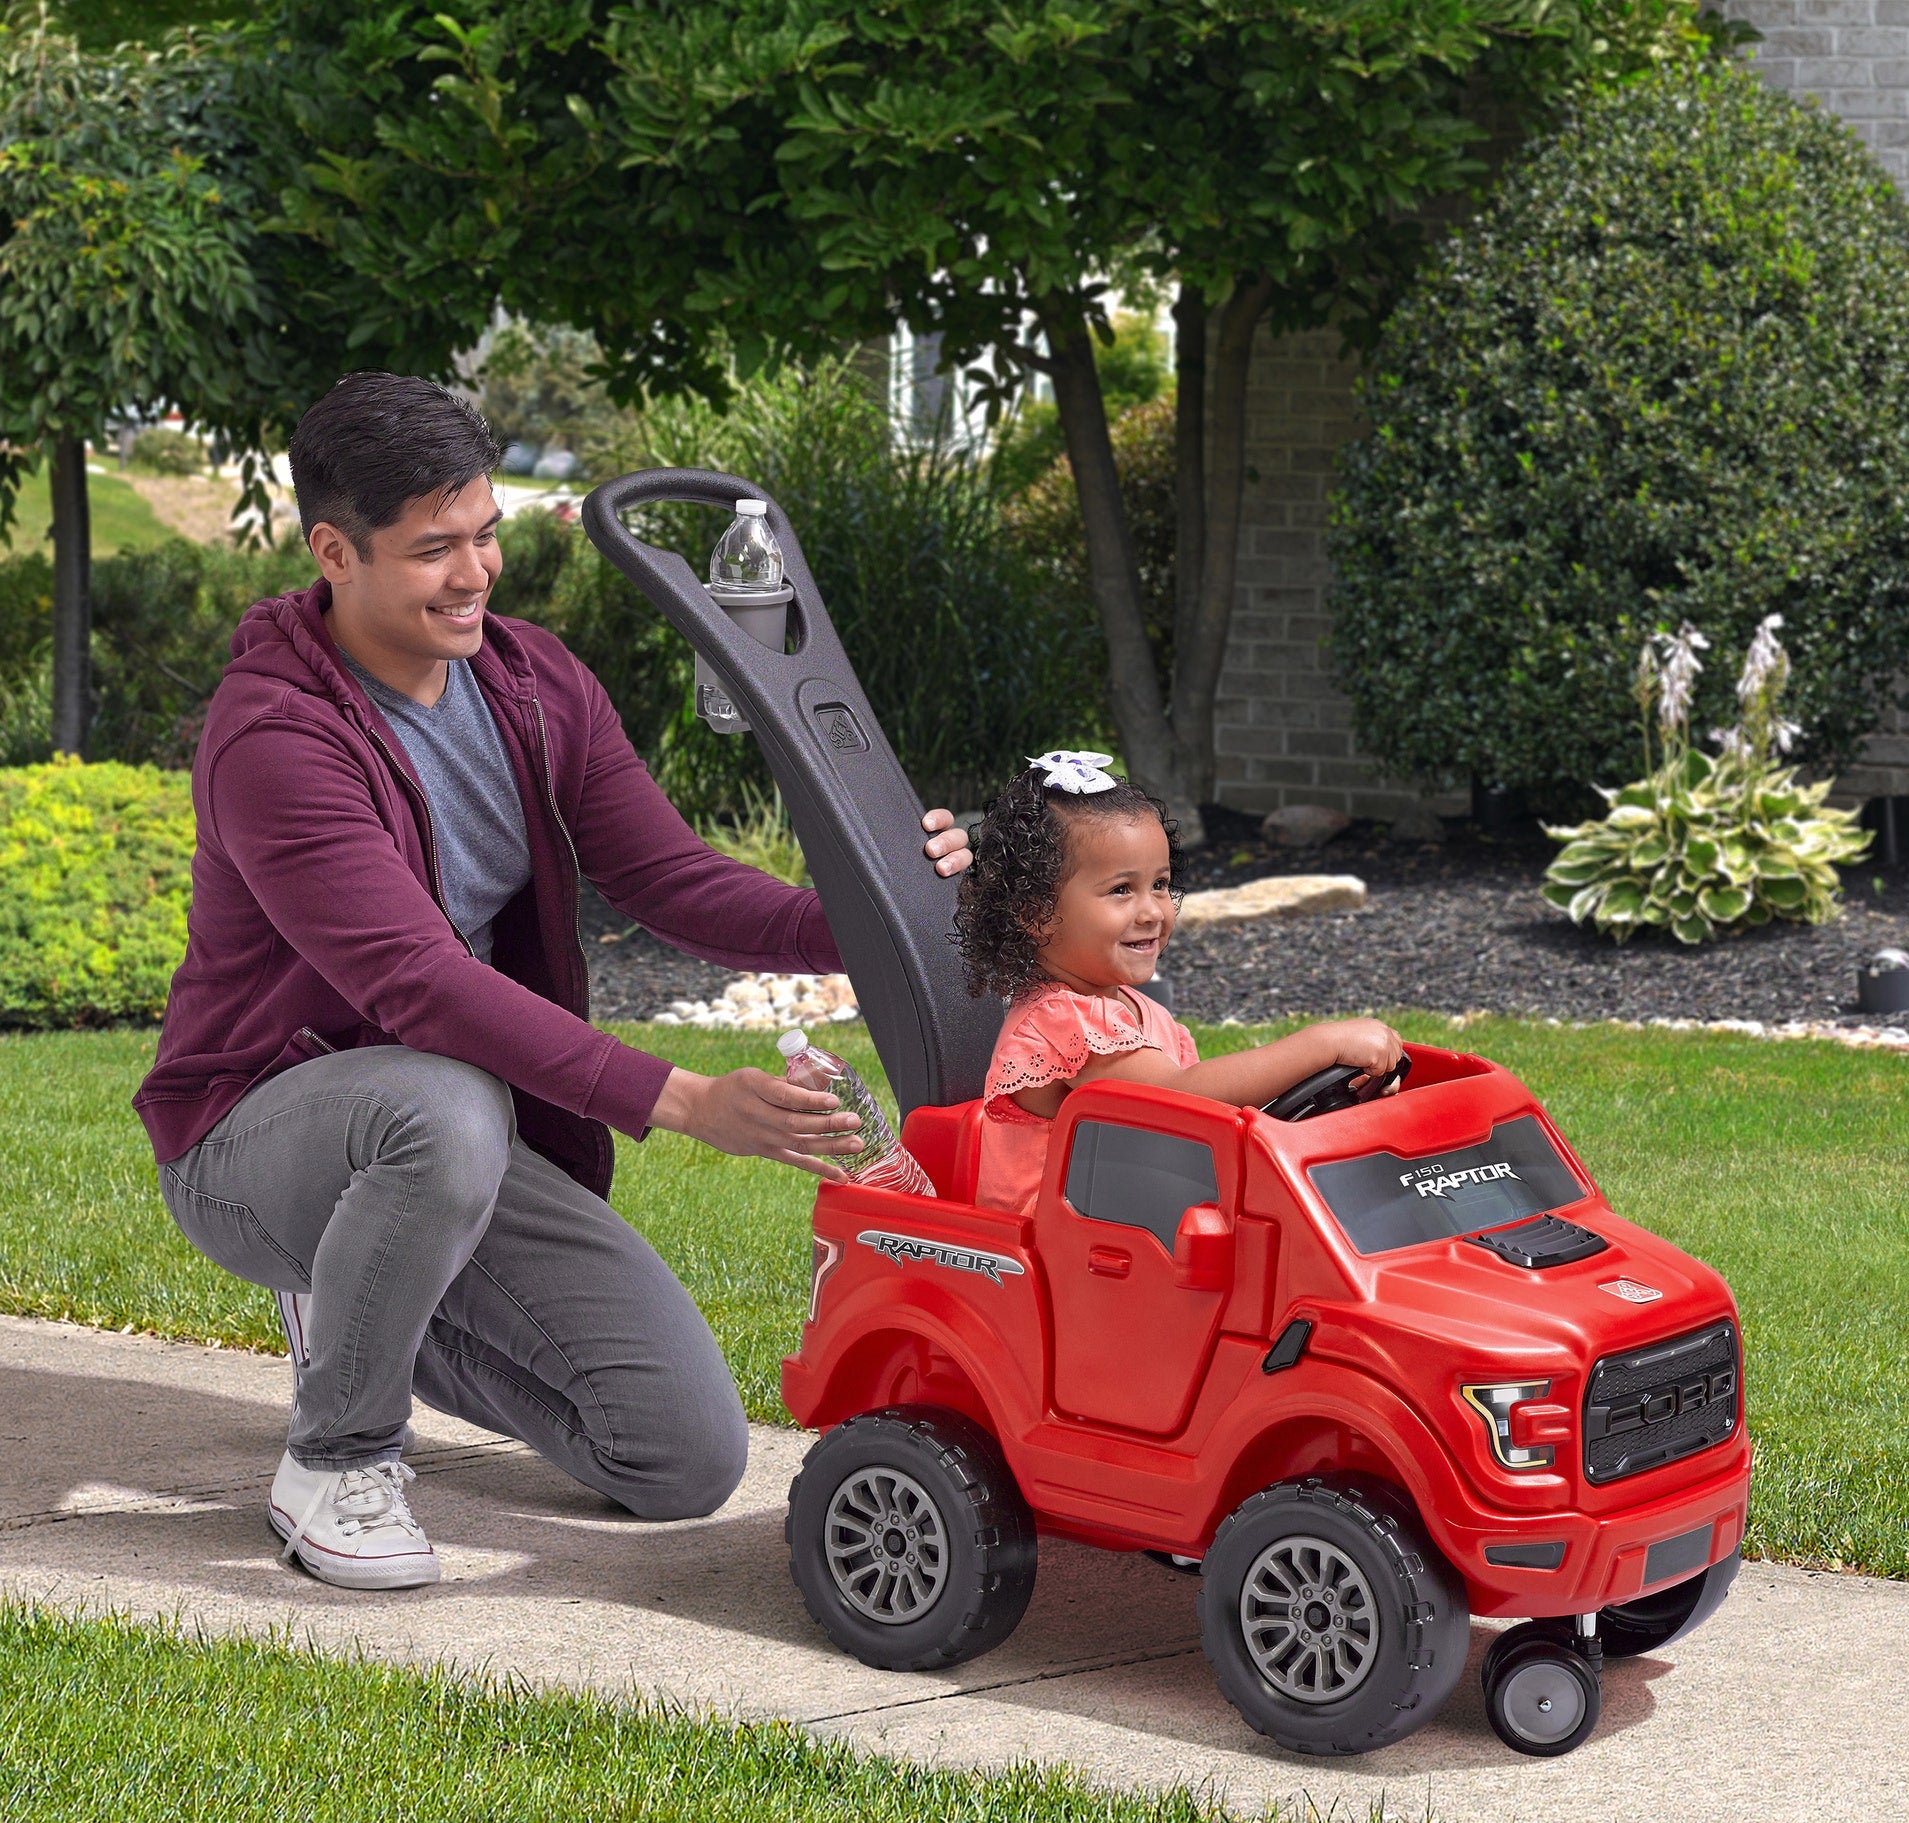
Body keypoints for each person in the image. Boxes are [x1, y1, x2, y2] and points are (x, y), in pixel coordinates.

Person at [132, 373, 972, 1591]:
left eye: (485, 534)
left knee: (678, 1455)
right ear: (335, 553)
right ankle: (335, 1457)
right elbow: (418, 982)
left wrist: (886, 913)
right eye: (434, 550)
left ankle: (359, 1297)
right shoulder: (275, 736)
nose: (474, 572)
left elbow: (670, 877)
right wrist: (681, 1099)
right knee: (438, 1104)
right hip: (259, 1131)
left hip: (441, 1140)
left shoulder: (530, 682)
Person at [954, 751, 1402, 1215]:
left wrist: (1332, 1097)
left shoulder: (1137, 1012)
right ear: (1037, 914)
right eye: (1121, 890)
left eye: (1161, 884)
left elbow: (1219, 1114)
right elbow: (1182, 1095)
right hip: (1067, 1249)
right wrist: (1321, 1044)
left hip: (1136, 1222)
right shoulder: (1058, 1022)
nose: (1152, 911)